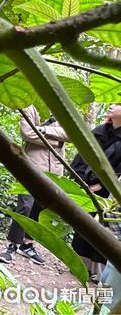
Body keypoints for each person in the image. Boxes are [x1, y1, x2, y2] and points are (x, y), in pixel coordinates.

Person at [0, 106, 69, 265]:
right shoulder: (30, 107)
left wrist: (42, 130)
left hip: (54, 172)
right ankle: (13, 245)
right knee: (25, 206)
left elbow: (70, 134)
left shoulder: (60, 110)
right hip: (31, 167)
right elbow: (27, 133)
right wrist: (56, 138)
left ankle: (27, 244)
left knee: (41, 208)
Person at [70, 103, 121, 283]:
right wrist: (82, 179)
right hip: (85, 185)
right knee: (84, 224)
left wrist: (101, 185)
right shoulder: (100, 131)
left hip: (108, 193)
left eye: (118, 105)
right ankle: (78, 263)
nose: (112, 106)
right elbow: (81, 156)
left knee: (103, 227)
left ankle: (97, 271)